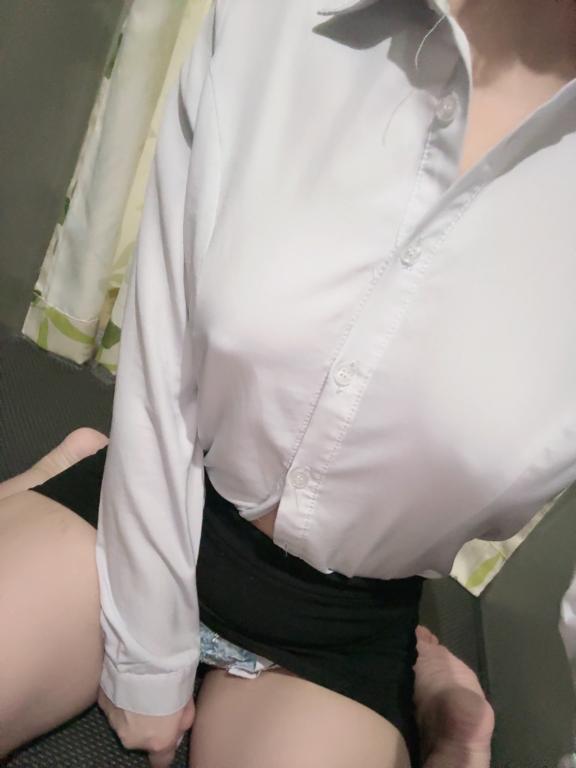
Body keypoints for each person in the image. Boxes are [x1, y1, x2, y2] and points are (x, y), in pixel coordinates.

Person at [1, 0, 575, 766]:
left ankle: (436, 694)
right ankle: (72, 468)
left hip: (343, 619)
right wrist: (144, 667)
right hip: (164, 495)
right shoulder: (280, 18)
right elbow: (165, 337)